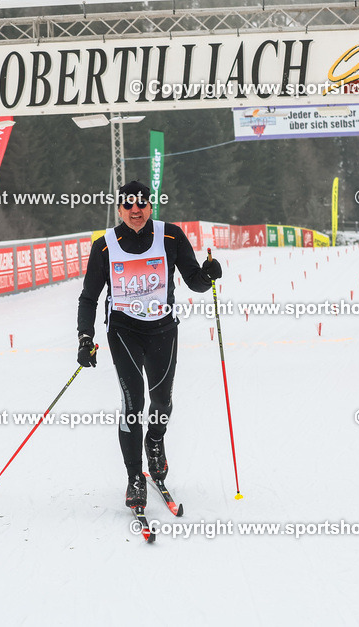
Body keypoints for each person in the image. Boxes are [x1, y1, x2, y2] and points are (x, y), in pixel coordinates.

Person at [76, 180, 222, 509]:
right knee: (133, 404)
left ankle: (154, 441)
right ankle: (134, 479)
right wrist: (86, 337)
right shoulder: (105, 245)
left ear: (151, 206)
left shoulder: (170, 236)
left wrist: (209, 274)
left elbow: (196, 283)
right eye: (128, 205)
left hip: (163, 330)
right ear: (119, 210)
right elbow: (88, 298)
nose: (136, 210)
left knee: (161, 402)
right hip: (123, 332)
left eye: (142, 203)